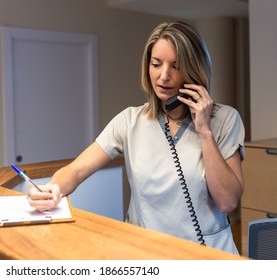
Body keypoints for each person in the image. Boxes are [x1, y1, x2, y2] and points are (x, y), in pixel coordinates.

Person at [27, 21, 245, 255]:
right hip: (147, 253)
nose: (164, 76)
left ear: (194, 70)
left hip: (207, 255)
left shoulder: (225, 119)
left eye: (176, 66)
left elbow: (228, 202)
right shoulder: (130, 121)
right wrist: (51, 189)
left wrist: (204, 131)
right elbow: (77, 170)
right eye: (156, 64)